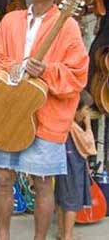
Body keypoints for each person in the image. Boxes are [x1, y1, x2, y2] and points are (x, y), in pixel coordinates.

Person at [0, 0, 89, 240]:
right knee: (4, 179)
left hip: (47, 116)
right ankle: (2, 236)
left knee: (43, 183)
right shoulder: (9, 21)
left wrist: (47, 70)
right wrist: (15, 68)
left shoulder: (68, 26)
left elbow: (78, 74)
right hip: (8, 112)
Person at [55, 90, 96, 240]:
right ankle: (68, 236)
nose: (87, 113)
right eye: (86, 109)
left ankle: (61, 232)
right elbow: (89, 145)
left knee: (61, 198)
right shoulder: (74, 127)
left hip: (63, 163)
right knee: (72, 201)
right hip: (73, 165)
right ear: (76, 109)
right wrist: (88, 126)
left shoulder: (65, 123)